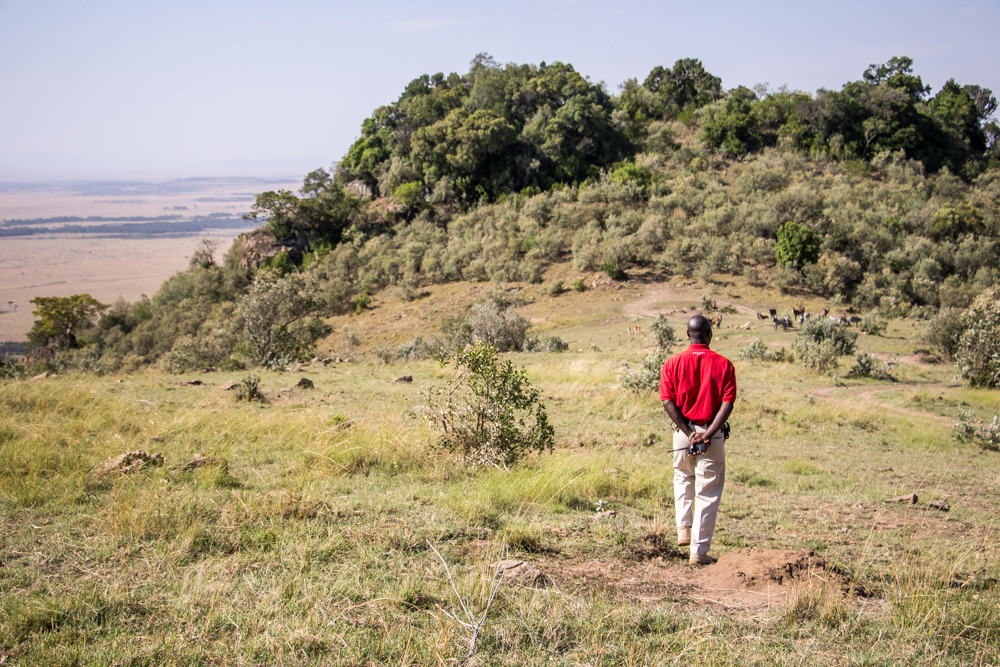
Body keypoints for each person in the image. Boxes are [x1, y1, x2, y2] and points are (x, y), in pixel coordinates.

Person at [659, 315, 736, 565]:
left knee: (682, 476)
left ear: (687, 334)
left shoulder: (672, 363)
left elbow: (667, 401)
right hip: (711, 433)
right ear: (709, 334)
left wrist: (689, 432)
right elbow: (727, 403)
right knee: (708, 490)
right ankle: (699, 552)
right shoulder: (724, 364)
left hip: (683, 433)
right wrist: (708, 433)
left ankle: (683, 528)